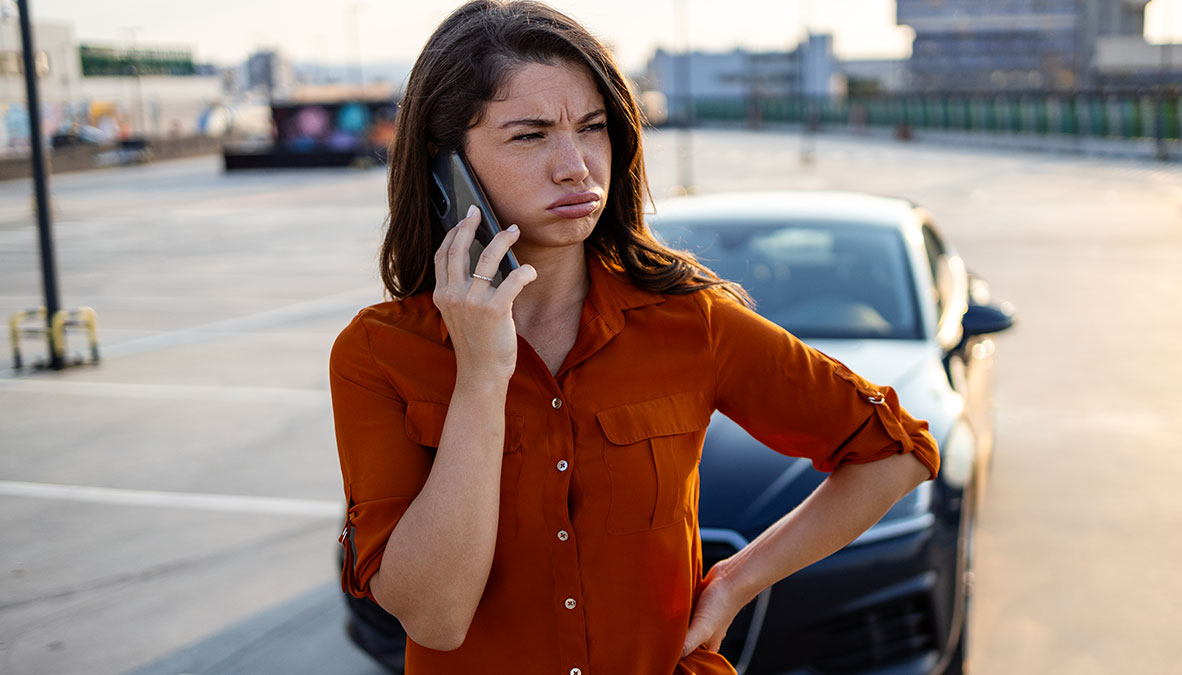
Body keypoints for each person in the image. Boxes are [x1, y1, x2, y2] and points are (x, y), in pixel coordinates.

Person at [329, 2, 940, 674]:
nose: (575, 166)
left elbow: (896, 450)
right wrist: (479, 377)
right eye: (530, 136)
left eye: (591, 128)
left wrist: (734, 580)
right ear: (448, 167)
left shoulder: (692, 324)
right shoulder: (378, 355)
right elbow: (437, 619)